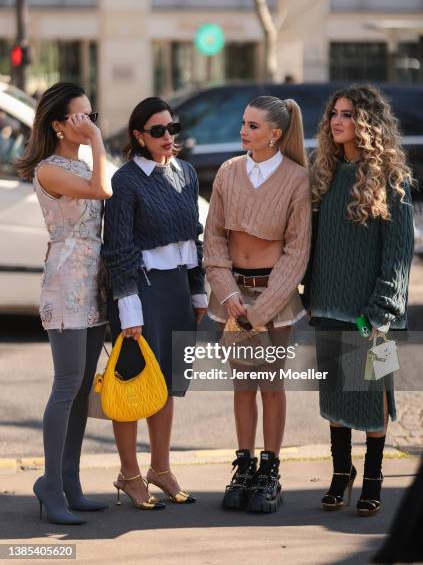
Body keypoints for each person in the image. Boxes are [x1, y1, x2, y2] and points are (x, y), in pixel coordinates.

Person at [303, 85, 414, 516]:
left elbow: (399, 255)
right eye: (334, 112)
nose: (337, 120)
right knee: (335, 397)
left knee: (374, 395)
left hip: (374, 315)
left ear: (366, 121)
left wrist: (380, 313)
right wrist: (310, 296)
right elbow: (316, 245)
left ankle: (373, 479)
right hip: (328, 307)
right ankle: (340, 473)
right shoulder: (325, 175)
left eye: (347, 114)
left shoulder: (392, 179)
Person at [203, 95, 311, 513]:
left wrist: (261, 310)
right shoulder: (229, 172)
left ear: (275, 134)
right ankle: (244, 466)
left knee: (271, 385)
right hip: (231, 298)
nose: (243, 131)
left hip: (275, 299)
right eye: (243, 123)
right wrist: (229, 296)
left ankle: (270, 471)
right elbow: (213, 239)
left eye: (252, 126)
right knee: (242, 385)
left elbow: (297, 252)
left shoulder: (296, 179)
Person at [102, 97, 207, 510]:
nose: (168, 137)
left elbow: (194, 238)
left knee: (167, 386)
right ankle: (129, 474)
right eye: (158, 131)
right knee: (132, 384)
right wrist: (128, 308)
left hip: (178, 290)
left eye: (172, 129)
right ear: (138, 136)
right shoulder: (126, 181)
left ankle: (160, 468)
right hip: (141, 294)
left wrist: (197, 290)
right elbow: (119, 249)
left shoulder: (187, 174)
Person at [16, 82, 112, 524]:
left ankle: (70, 482)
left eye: (91, 116)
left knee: (80, 391)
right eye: (80, 117)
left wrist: (91, 146)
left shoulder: (79, 163)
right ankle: (50, 487)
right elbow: (102, 192)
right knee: (66, 384)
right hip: (64, 286)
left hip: (91, 285)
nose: (89, 123)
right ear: (58, 125)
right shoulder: (49, 169)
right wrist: (96, 143)